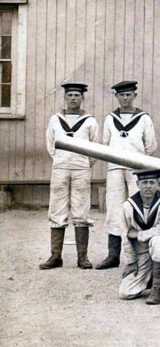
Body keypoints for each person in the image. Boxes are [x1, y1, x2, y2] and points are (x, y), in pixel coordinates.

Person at [97, 81, 158, 270]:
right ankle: (113, 255)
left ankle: (140, 253)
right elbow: (105, 144)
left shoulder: (143, 118)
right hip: (115, 168)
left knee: (137, 209)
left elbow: (151, 146)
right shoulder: (110, 119)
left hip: (136, 171)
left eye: (128, 95)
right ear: (117, 97)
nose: (125, 98)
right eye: (121, 95)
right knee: (114, 209)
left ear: (134, 96)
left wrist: (138, 162)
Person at [41, 82, 100, 270]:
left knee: (81, 210)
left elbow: (95, 148)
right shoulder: (55, 120)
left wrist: (83, 163)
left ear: (82, 98)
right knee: (57, 209)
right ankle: (55, 256)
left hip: (81, 169)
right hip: (60, 168)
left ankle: (82, 257)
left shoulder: (90, 121)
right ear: (65, 98)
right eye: (70, 95)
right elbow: (51, 145)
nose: (73, 98)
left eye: (76, 95)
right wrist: (62, 160)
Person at [118, 169, 160, 305]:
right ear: (138, 184)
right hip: (142, 253)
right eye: (144, 182)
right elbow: (125, 236)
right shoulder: (128, 206)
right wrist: (131, 261)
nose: (148, 186)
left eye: (151, 182)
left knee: (158, 240)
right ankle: (156, 278)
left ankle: (157, 289)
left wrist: (139, 235)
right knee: (125, 293)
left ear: (158, 184)